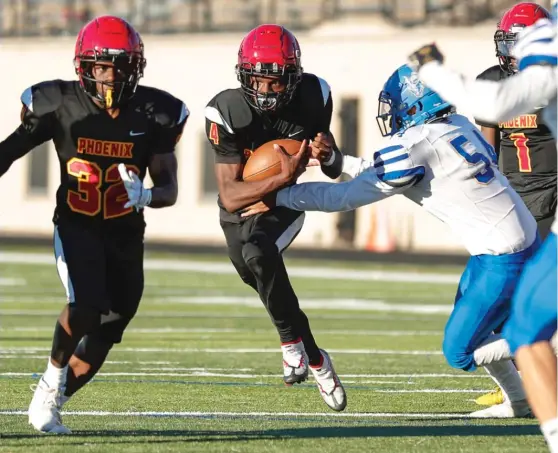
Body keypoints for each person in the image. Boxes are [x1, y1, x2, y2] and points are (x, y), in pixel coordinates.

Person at [243, 64, 540, 419]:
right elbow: (379, 170)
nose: (392, 113)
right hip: (509, 246)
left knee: (459, 350)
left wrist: (280, 197)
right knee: (482, 329)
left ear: (415, 105)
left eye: (397, 104)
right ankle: (520, 401)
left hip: (503, 258)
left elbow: (344, 198)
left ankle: (546, 340)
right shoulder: (457, 127)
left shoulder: (416, 148)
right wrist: (336, 160)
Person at [0, 15, 188, 433]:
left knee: (109, 327)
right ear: (83, 66)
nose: (110, 76)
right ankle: (50, 380)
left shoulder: (156, 113)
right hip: (77, 223)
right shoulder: (59, 104)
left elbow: (170, 188)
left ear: (135, 68)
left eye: (120, 67)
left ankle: (54, 397)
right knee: (84, 304)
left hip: (125, 232)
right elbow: (9, 150)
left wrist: (147, 196)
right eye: (102, 66)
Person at [409, 7, 557, 451]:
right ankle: (524, 395)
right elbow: (487, 138)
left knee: (527, 322)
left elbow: (488, 104)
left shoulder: (543, 72)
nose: (514, 51)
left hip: (546, 189)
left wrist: (432, 67)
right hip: (518, 195)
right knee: (520, 320)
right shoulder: (503, 75)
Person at [204, 23, 346, 412]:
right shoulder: (226, 109)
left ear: (293, 79)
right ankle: (316, 357)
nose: (265, 91)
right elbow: (231, 195)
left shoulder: (315, 95)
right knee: (260, 276)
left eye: (275, 82)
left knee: (258, 253)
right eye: (258, 81)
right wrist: (279, 176)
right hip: (242, 205)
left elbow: (331, 166)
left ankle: (290, 345)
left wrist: (328, 153)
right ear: (242, 75)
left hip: (285, 202)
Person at [473, 1, 555, 408]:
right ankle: (527, 382)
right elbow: (487, 152)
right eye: (512, 42)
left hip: (552, 191)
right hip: (513, 197)